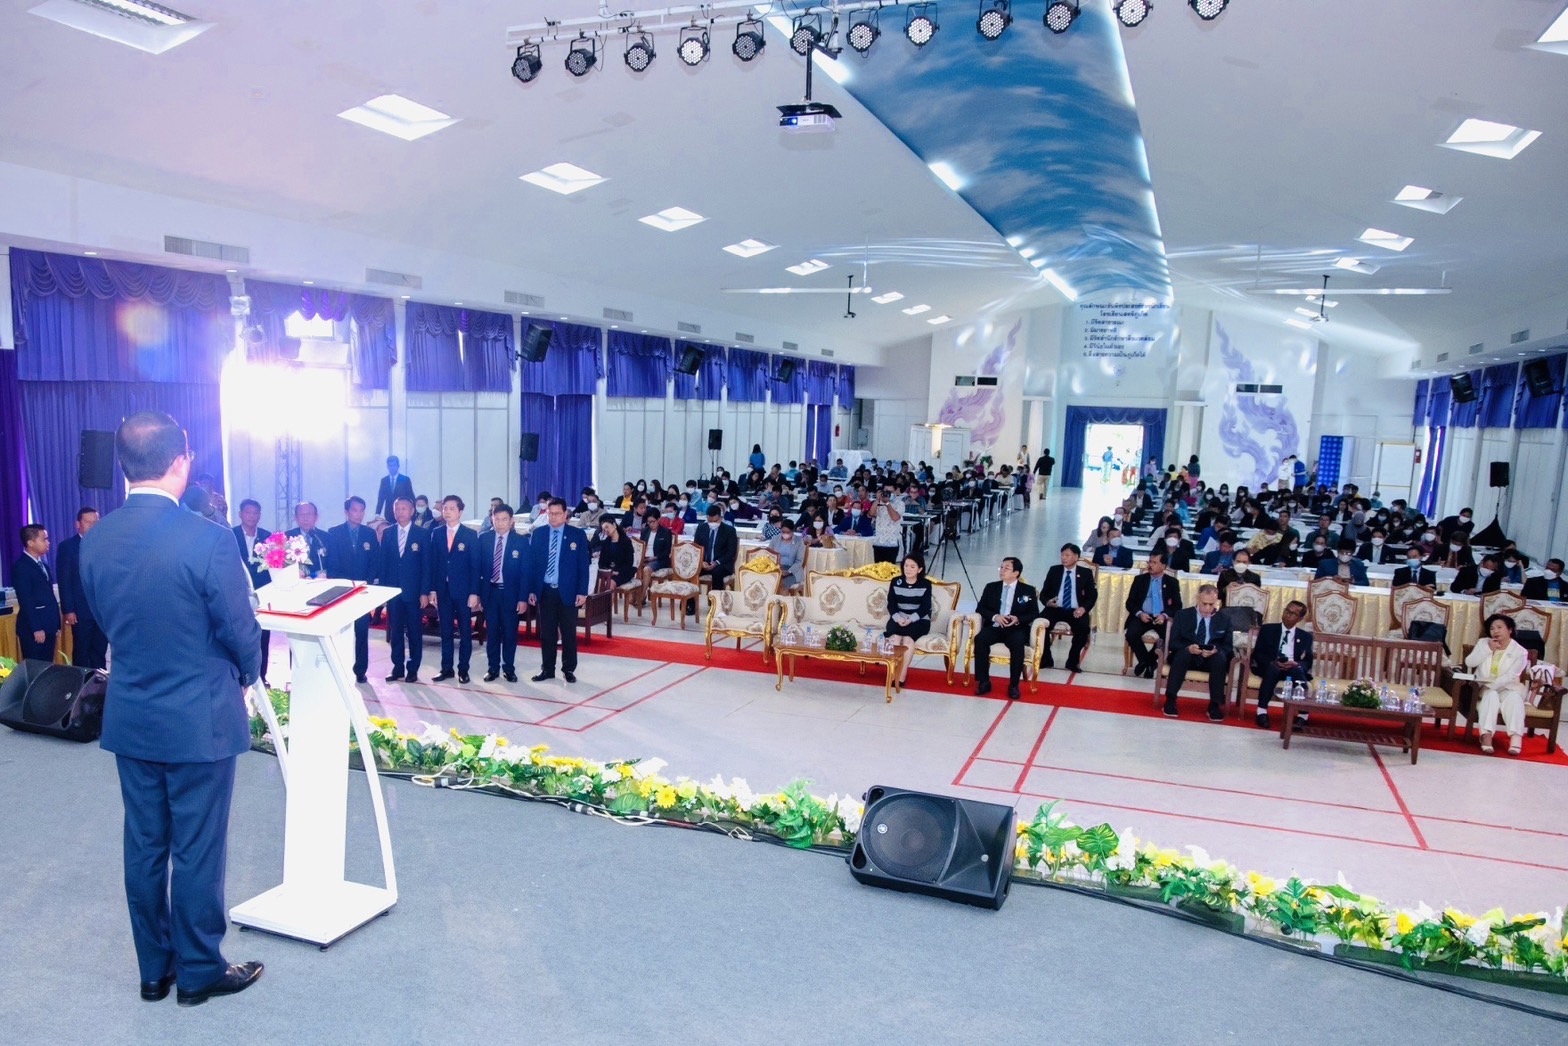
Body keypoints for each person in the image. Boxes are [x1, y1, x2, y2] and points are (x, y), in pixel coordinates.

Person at [78, 410, 263, 1007]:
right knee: (197, 849)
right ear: (181, 460)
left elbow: (109, 621)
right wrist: (246, 672)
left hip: (132, 715)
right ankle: (200, 969)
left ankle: (153, 971)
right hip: (199, 719)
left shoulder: (95, 537)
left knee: (145, 844)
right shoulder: (209, 538)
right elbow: (241, 631)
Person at [524, 498, 591, 684]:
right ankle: (547, 669)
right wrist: (532, 589)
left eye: (557, 514)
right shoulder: (539, 534)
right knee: (547, 633)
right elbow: (532, 565)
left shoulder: (577, 535)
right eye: (550, 513)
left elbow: (583, 566)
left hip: (568, 591)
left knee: (569, 632)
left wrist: (582, 591)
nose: (553, 517)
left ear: (565, 515)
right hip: (545, 591)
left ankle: (568, 669)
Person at [377, 496, 430, 683]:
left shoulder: (422, 534)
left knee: (415, 632)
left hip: (414, 593)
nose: (400, 512)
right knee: (396, 631)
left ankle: (413, 668)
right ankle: (397, 667)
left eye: (404, 508)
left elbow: (426, 566)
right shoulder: (389, 532)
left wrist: (424, 592)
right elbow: (383, 564)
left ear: (412, 510)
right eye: (397, 509)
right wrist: (382, 592)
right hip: (393, 592)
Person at [428, 495, 480, 684]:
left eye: (451, 508)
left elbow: (476, 566)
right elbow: (433, 563)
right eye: (445, 508)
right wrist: (432, 589)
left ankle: (463, 669)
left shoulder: (469, 535)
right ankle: (446, 668)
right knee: (446, 631)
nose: (447, 511)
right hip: (443, 591)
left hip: (464, 592)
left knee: (465, 631)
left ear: (460, 512)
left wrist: (474, 592)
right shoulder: (437, 533)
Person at [1162, 583, 1234, 722]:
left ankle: (1214, 705)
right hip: (1188, 656)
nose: (1207, 608)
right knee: (1182, 654)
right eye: (1204, 603)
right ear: (1197, 599)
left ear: (1217, 601)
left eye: (1211, 604)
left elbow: (1228, 647)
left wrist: (1215, 650)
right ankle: (1170, 699)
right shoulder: (1183, 615)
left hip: (1210, 659)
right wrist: (1189, 647)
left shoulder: (1224, 619)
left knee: (1220, 659)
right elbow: (1173, 643)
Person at [326, 496, 378, 684]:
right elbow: (332, 563)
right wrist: (345, 584)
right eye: (355, 510)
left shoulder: (369, 534)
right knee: (341, 632)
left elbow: (375, 562)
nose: (359, 514)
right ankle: (341, 668)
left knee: (362, 632)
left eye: (362, 510)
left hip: (362, 591)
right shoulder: (334, 533)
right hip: (342, 591)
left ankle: (360, 669)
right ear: (347, 512)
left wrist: (368, 583)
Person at [973, 557, 1039, 699]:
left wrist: (1018, 619)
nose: (1002, 570)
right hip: (996, 626)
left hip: (1015, 627)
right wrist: (995, 616)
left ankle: (1014, 685)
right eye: (1001, 567)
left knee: (1017, 643)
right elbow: (980, 608)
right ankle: (984, 681)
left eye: (1006, 568)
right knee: (980, 639)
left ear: (1016, 573)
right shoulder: (991, 587)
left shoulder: (1028, 590)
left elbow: (1034, 613)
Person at [1466, 614, 1530, 755]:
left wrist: (1492, 685)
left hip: (1508, 687)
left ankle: (1516, 738)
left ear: (1510, 630)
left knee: (1514, 699)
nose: (1495, 631)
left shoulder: (1520, 652)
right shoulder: (1483, 643)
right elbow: (1469, 663)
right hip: (1484, 687)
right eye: (1492, 628)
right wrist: (1488, 649)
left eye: (1500, 627)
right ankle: (1486, 735)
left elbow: (1511, 675)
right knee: (1491, 696)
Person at [478, 503, 527, 683]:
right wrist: (477, 594)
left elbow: (525, 572)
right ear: (492, 520)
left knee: (509, 633)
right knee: (492, 632)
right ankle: (492, 668)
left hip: (510, 594)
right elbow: (477, 569)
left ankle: (509, 668)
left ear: (511, 521)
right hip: (490, 593)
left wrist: (522, 598)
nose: (500, 523)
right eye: (496, 519)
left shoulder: (520, 542)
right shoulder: (483, 539)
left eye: (504, 519)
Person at [56, 507, 107, 671]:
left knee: (100, 649)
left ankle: (99, 686)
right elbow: (65, 580)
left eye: (96, 522)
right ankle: (81, 686)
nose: (93, 525)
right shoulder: (68, 547)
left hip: (101, 610)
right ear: (78, 524)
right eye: (88, 522)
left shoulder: (105, 544)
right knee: (82, 650)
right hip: (80, 610)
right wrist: (68, 609)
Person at [1252, 600, 1313, 728]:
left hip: (1292, 668)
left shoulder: (1306, 636)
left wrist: (1297, 664)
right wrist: (1272, 662)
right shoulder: (1268, 629)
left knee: (1298, 671)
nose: (1288, 615)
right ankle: (1261, 712)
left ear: (1300, 618)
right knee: (1273, 668)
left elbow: (1308, 660)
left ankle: (1303, 716)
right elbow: (1258, 653)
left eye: (1293, 614)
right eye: (1287, 611)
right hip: (1271, 666)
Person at [231, 499, 273, 684]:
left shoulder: (267, 537)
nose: (252, 516)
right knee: (239, 637)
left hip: (262, 594)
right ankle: (239, 676)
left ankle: (261, 676)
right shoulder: (229, 535)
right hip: (237, 595)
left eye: (255, 513)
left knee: (263, 636)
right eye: (248, 512)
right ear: (240, 514)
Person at [1040, 543, 1097, 673]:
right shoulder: (1054, 570)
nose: (1063, 558)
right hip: (1055, 609)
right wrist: (1048, 602)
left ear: (1076, 557)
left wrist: (1083, 608)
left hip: (1076, 610)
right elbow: (1044, 593)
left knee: (1083, 629)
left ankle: (1072, 661)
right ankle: (1046, 658)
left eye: (1067, 555)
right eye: (1062, 555)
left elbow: (1092, 596)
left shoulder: (1086, 573)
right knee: (1040, 625)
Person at [1125, 549, 1181, 679]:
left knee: (1169, 637)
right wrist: (1139, 614)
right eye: (1150, 561)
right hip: (1143, 616)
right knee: (1131, 634)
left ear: (1164, 566)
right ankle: (1148, 663)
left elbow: (1177, 606)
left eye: (1154, 562)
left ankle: (1147, 661)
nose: (1150, 565)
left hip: (1161, 617)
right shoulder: (1140, 580)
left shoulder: (1172, 583)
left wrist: (1164, 616)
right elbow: (1130, 603)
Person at [884, 554, 933, 693]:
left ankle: (901, 675)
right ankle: (892, 672)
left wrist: (910, 619)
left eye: (912, 567)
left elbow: (925, 608)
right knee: (895, 638)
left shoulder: (925, 584)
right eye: (906, 565)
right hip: (898, 618)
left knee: (908, 641)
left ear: (919, 569)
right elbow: (891, 604)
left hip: (919, 620)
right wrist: (898, 618)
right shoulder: (895, 581)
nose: (908, 569)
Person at [13, 524, 60, 662]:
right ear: (30, 542)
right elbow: (26, 600)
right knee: (35, 668)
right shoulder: (21, 566)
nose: (48, 542)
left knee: (47, 667)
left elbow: (49, 596)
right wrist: (36, 628)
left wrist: (55, 623)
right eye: (44, 539)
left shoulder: (43, 565)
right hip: (34, 628)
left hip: (49, 625)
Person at [694, 504, 739, 592]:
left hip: (722, 564)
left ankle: (715, 602)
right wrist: (702, 562)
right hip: (704, 564)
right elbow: (696, 548)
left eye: (714, 521)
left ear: (720, 518)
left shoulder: (729, 531)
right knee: (691, 570)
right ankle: (690, 603)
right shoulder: (701, 528)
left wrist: (717, 562)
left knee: (717, 572)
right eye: (709, 521)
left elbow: (731, 552)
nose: (712, 524)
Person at [284, 501, 330, 579]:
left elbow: (335, 567)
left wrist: (324, 575)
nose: (305, 518)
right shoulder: (286, 537)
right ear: (295, 517)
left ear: (316, 517)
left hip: (321, 584)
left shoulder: (327, 538)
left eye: (309, 514)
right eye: (302, 514)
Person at [591, 518, 637, 589]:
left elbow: (629, 562)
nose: (606, 530)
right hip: (609, 572)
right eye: (603, 529)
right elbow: (601, 563)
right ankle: (601, 600)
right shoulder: (606, 542)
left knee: (610, 583)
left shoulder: (626, 541)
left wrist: (617, 572)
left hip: (623, 572)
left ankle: (609, 600)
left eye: (607, 527)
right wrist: (609, 571)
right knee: (597, 583)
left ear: (614, 525)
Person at [770, 519, 808, 593]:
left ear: (792, 531)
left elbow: (799, 561)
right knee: (768, 583)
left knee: (781, 586)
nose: (785, 534)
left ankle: (784, 604)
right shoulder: (775, 539)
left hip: (792, 571)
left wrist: (789, 571)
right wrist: (775, 568)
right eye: (783, 532)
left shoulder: (799, 541)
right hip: (777, 569)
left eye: (788, 532)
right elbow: (769, 555)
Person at [869, 486, 902, 563]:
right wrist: (878, 500)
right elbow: (871, 514)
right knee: (878, 568)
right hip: (879, 541)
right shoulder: (878, 503)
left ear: (895, 491)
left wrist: (887, 503)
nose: (888, 494)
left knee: (890, 569)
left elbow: (895, 518)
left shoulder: (900, 503)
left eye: (890, 492)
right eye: (886, 491)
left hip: (892, 542)